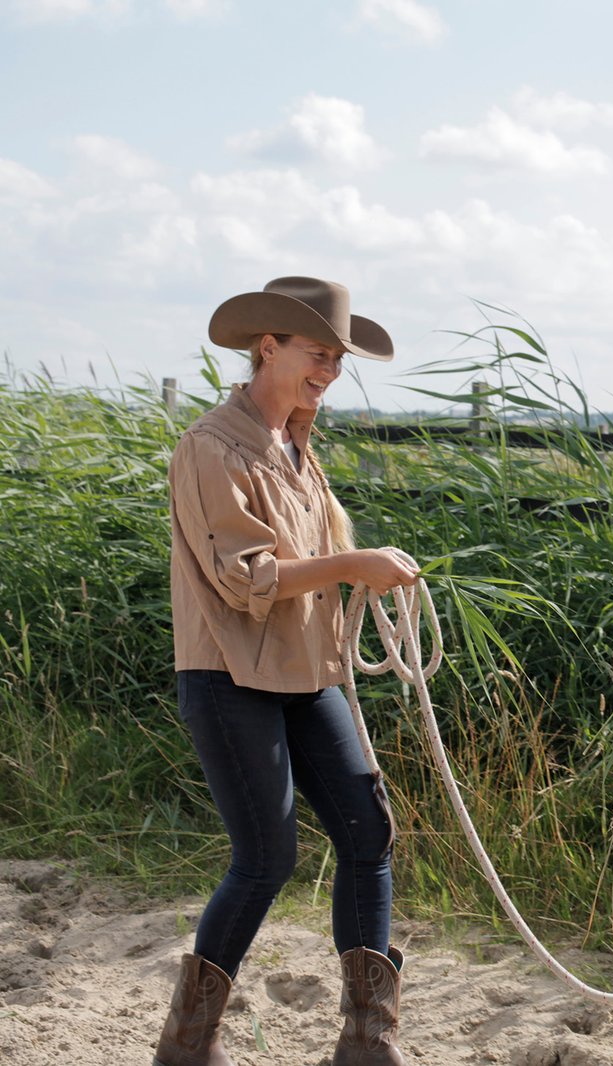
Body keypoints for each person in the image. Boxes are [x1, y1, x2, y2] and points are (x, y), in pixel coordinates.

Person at [154, 277, 420, 1066]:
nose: (329, 370)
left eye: (337, 359)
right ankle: (187, 1043)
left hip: (306, 673)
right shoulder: (211, 445)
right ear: (265, 346)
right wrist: (354, 563)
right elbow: (246, 577)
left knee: (368, 832)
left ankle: (367, 1041)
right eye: (316, 354)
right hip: (229, 673)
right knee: (267, 856)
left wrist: (353, 565)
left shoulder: (296, 445)